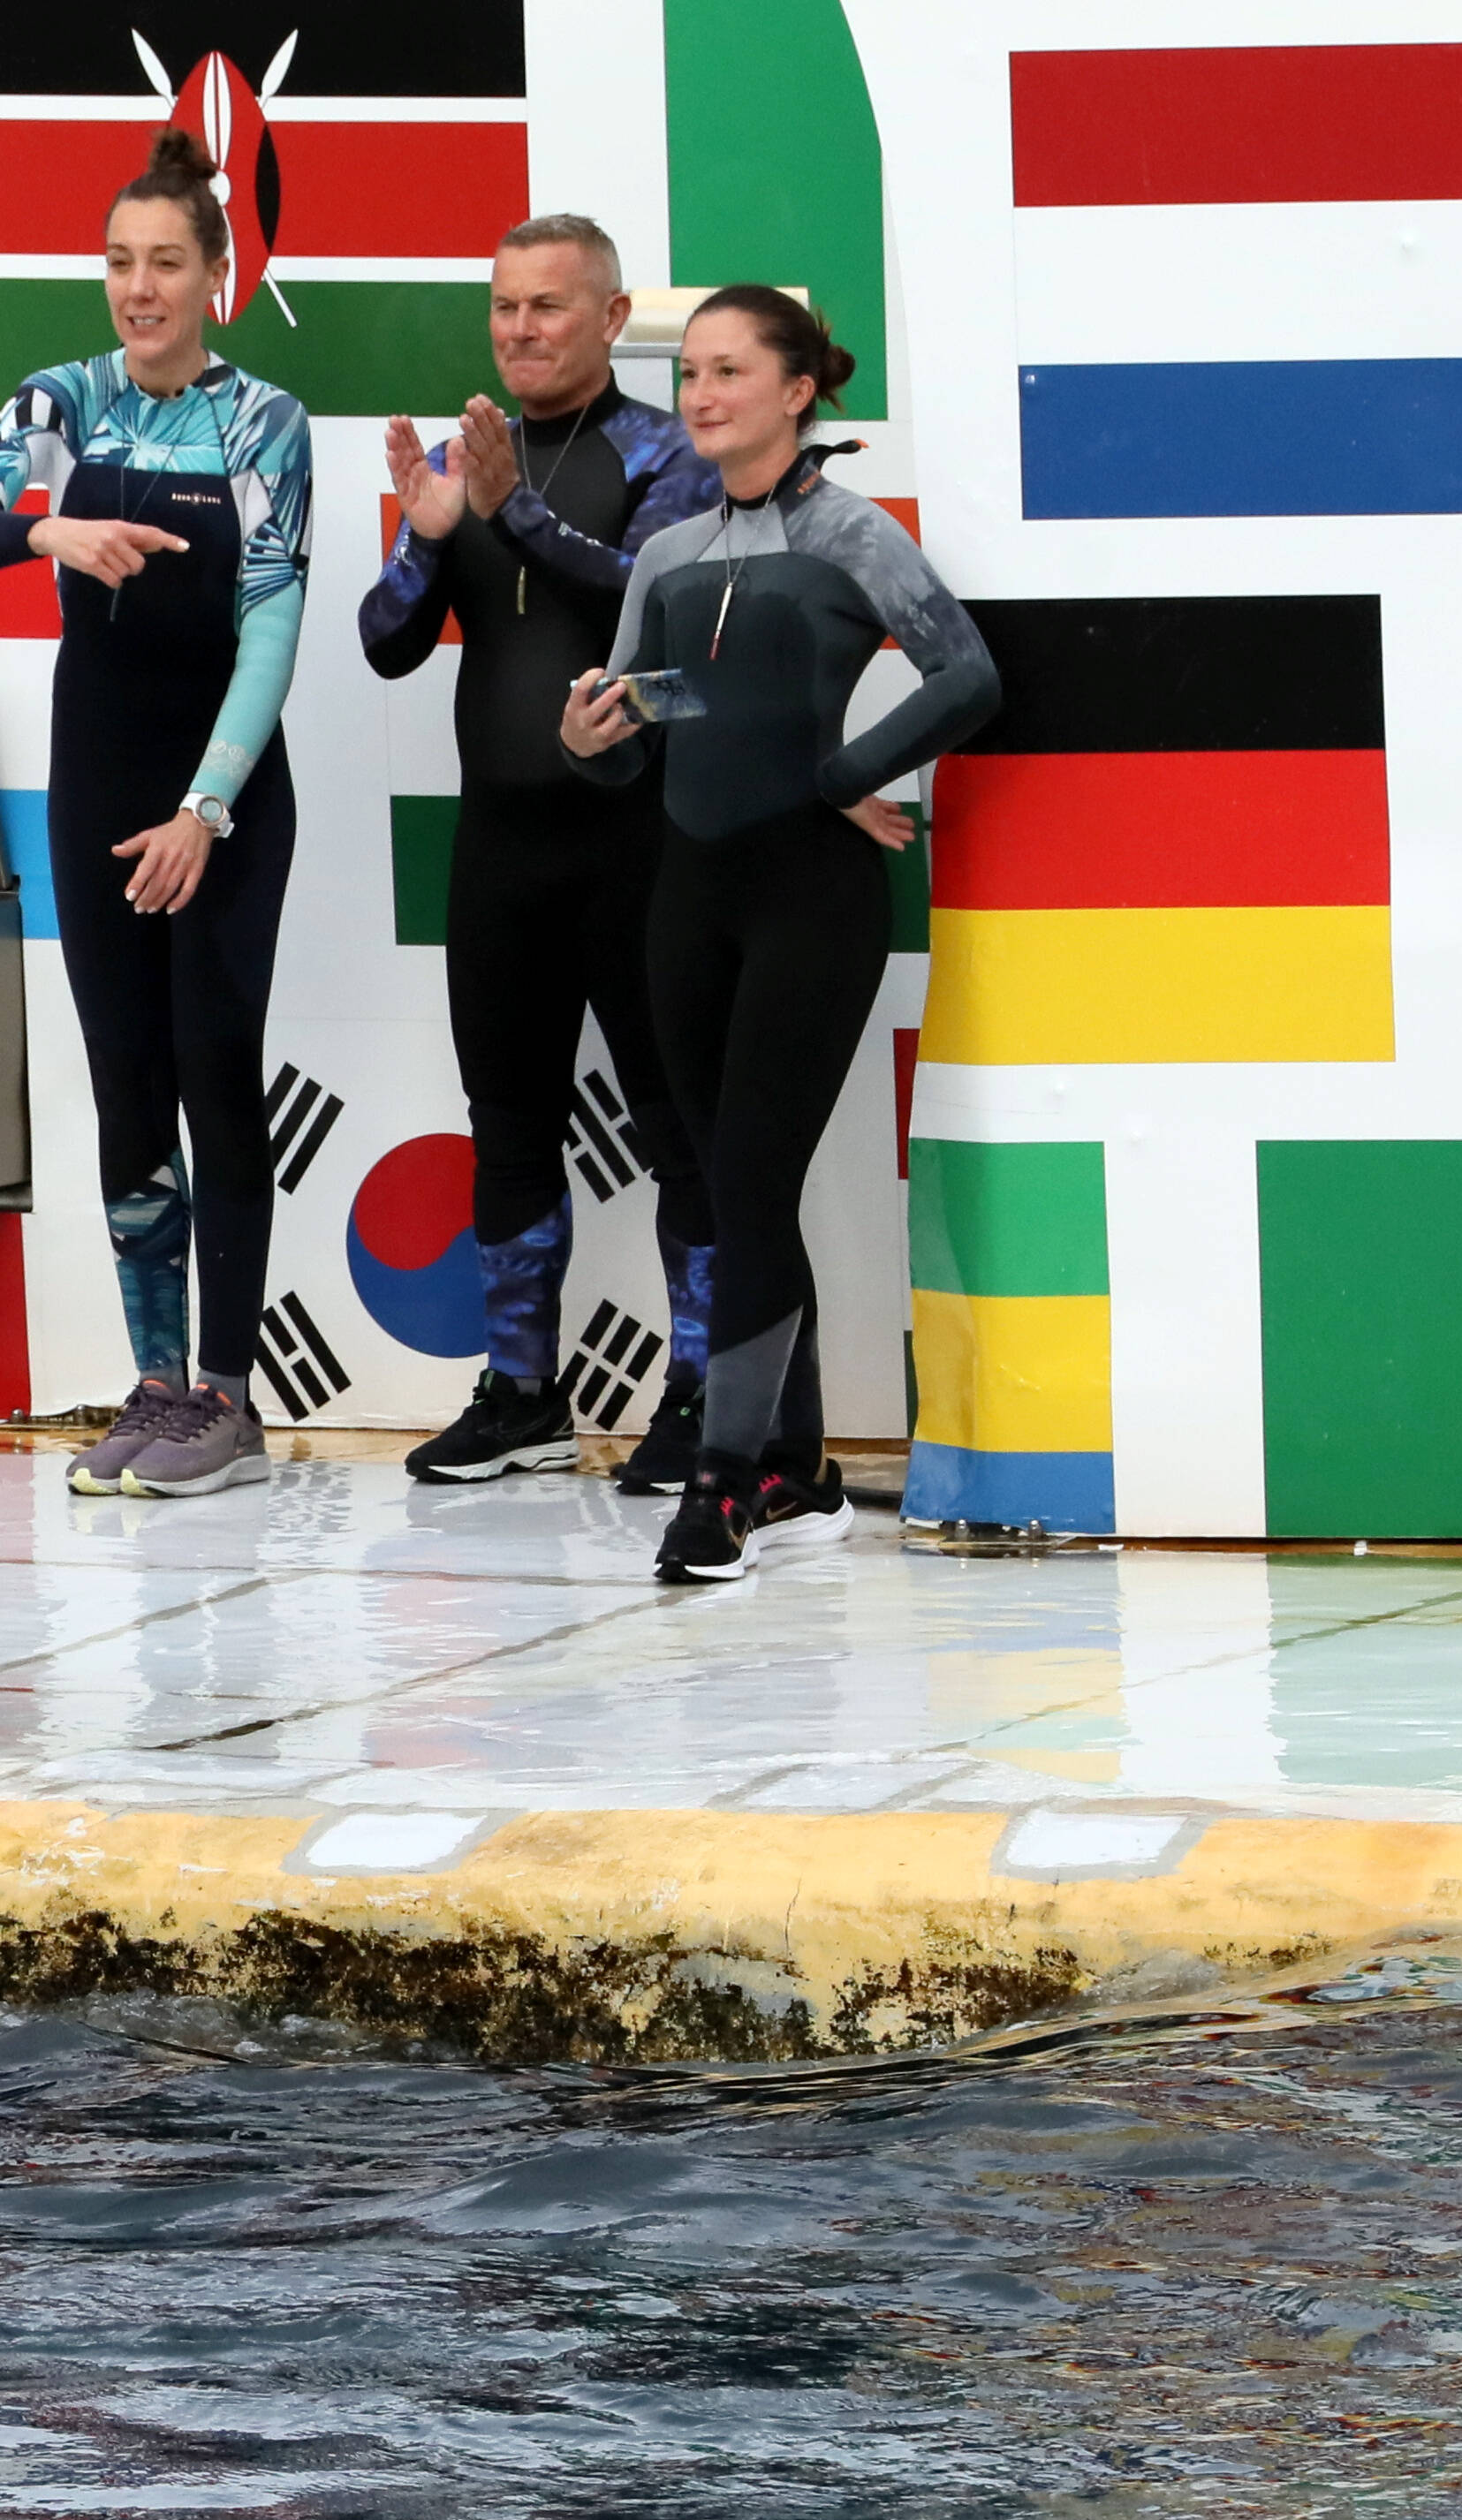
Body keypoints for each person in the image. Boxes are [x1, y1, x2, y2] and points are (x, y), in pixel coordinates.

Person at [559, 286, 996, 1582]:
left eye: (728, 372)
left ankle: (721, 1483)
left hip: (809, 899)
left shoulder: (852, 534)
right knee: (716, 1189)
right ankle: (795, 1468)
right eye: (689, 373)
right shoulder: (668, 552)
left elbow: (964, 673)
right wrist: (590, 741)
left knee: (746, 1182)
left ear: (797, 389)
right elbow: (666, 718)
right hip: (682, 897)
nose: (699, 395)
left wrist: (832, 773)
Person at [0, 127, 312, 1500]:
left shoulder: (263, 421)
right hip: (94, 792)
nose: (138, 288)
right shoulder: (62, 400)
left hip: (216, 800)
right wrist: (54, 533)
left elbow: (269, 632)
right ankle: (151, 1385)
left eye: (165, 263)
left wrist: (203, 809)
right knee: (122, 1084)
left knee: (216, 1072)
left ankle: (226, 1395)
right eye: (117, 263)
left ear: (217, 274)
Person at [359, 214, 722, 1491]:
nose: (519, 329)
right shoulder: (466, 461)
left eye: (548, 307)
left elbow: (647, 603)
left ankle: (700, 1396)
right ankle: (523, 1393)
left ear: (612, 318)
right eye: (503, 306)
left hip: (634, 846)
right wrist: (420, 532)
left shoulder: (662, 452)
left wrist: (510, 513)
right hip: (500, 854)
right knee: (507, 1128)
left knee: (678, 1131)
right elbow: (387, 643)